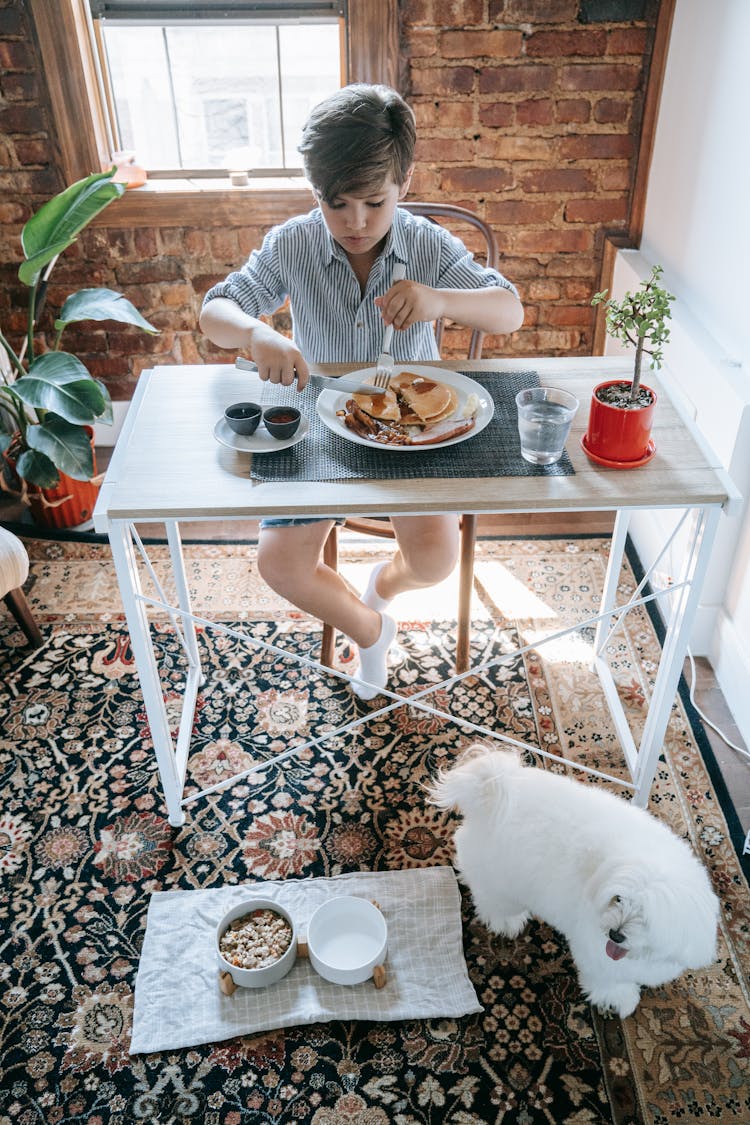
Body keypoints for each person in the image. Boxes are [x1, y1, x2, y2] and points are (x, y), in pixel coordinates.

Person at [200, 84, 524, 700]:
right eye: (336, 203)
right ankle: (370, 629)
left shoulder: (425, 244)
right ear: (315, 193)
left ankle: (383, 584)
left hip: (421, 432)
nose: (355, 222)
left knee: (434, 562)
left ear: (403, 183)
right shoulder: (294, 242)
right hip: (324, 430)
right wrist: (255, 333)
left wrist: (440, 300)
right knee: (278, 562)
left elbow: (509, 311)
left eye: (374, 202)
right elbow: (215, 311)